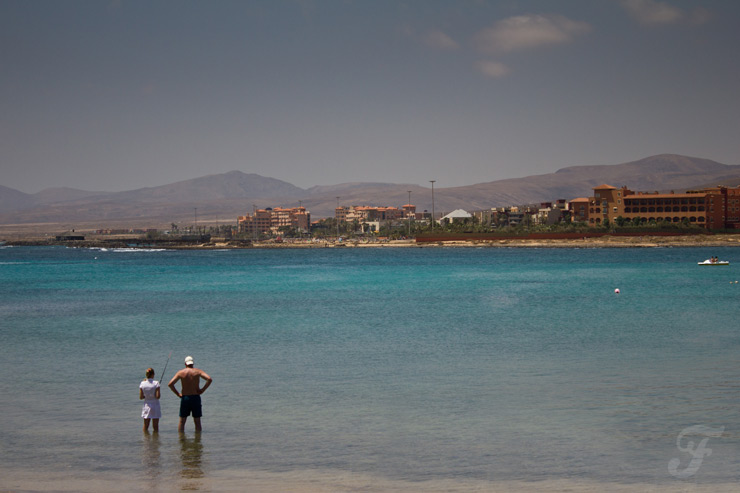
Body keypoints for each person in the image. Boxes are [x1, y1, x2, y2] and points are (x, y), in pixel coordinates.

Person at [168, 356, 213, 432]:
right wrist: (202, 390)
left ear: (185, 364)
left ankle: (181, 440)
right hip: (195, 397)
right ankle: (198, 441)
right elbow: (209, 379)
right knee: (197, 421)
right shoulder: (198, 371)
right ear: (192, 363)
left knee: (182, 421)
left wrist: (178, 394)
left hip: (185, 397)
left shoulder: (181, 372)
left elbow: (170, 384)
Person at [139, 367, 161, 432]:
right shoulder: (156, 383)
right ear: (153, 374)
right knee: (155, 426)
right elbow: (158, 396)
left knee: (145, 425)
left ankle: (145, 440)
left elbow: (141, 397)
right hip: (155, 406)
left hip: (146, 405)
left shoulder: (142, 383)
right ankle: (156, 440)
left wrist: (147, 396)